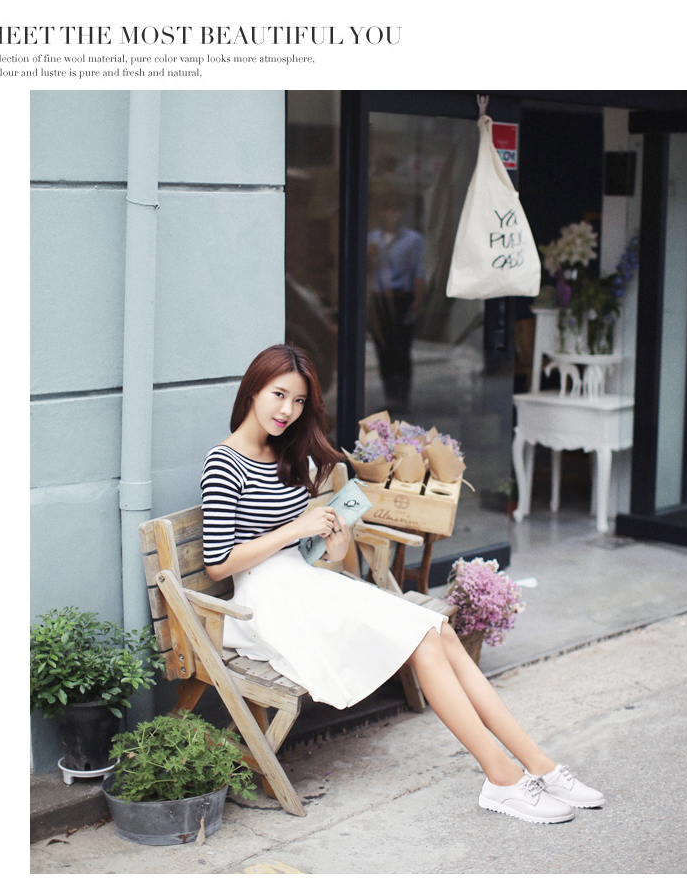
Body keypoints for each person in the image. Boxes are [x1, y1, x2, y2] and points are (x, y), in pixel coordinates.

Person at [201, 343, 604, 824]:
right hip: (267, 601)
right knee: (423, 640)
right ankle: (502, 778)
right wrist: (296, 528)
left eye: (299, 400)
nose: (288, 410)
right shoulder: (224, 462)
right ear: (253, 390)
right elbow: (217, 564)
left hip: (305, 584)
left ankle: (540, 766)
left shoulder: (289, 455)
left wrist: (334, 538)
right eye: (279, 394)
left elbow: (319, 554)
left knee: (440, 631)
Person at [367, 191, 425, 414]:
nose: (391, 215)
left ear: (401, 213)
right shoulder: (372, 238)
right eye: (387, 210)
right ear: (381, 213)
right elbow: (365, 270)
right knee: (383, 349)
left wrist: (417, 301)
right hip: (378, 299)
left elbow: (418, 271)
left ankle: (402, 398)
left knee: (401, 349)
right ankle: (390, 397)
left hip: (401, 298)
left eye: (396, 210)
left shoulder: (412, 239)